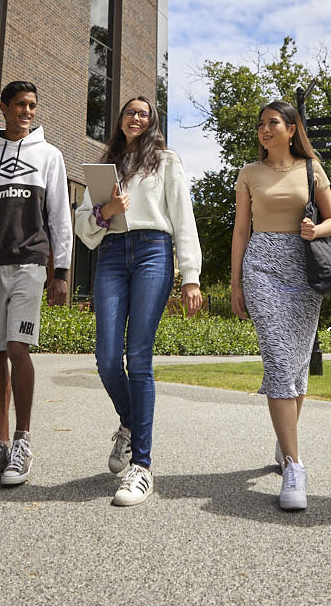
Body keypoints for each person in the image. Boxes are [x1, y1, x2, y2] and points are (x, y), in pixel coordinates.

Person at [74, 96, 203, 506]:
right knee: (107, 359)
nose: (135, 117)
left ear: (152, 122)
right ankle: (129, 423)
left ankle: (141, 466)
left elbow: (183, 217)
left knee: (139, 358)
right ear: (121, 119)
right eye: (129, 112)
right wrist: (106, 210)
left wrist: (191, 277)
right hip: (111, 253)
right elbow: (82, 225)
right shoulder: (103, 164)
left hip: (152, 251)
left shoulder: (165, 161)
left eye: (143, 114)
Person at [0, 81, 72, 487]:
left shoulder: (49, 155)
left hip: (30, 264)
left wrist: (61, 273)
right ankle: (0, 445)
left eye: (33, 106)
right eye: (20, 105)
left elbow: (60, 218)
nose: (27, 111)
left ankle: (23, 442)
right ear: (3, 107)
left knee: (17, 346)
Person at [230, 100, 331, 511]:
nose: (264, 129)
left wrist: (316, 228)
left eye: (272, 123)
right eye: (260, 124)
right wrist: (236, 281)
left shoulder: (311, 170)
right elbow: (242, 229)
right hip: (262, 267)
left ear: (292, 129)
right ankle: (294, 465)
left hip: (304, 268)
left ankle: (283, 441)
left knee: (295, 365)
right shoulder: (248, 173)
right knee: (278, 361)